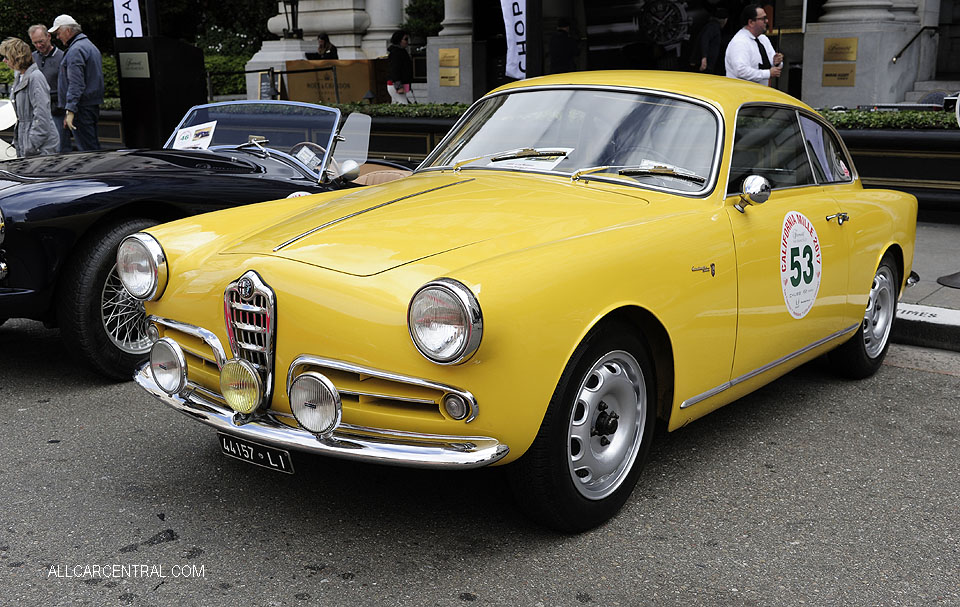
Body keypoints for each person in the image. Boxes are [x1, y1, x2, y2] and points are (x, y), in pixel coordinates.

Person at [49, 14, 103, 151]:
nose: (57, 37)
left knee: (88, 151)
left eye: (58, 32)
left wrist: (71, 110)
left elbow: (76, 83)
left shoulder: (76, 50)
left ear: (67, 31)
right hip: (89, 105)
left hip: (81, 107)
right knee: (92, 146)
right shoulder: (88, 46)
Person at [0, 37, 59, 157]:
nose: (4, 61)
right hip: (27, 141)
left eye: (6, 57)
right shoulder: (20, 77)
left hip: (40, 146)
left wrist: (32, 144)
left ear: (17, 57)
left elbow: (42, 115)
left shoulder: (35, 77)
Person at [28, 24, 70, 153]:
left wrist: (68, 113)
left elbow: (69, 86)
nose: (39, 45)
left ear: (49, 36)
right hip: (38, 110)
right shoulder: (32, 58)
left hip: (58, 110)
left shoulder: (62, 57)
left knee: (60, 148)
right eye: (35, 43)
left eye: (41, 41)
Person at [724, 4, 783, 86]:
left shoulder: (763, 39)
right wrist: (768, 73)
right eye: (763, 19)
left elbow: (773, 66)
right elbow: (741, 71)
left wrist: (777, 62)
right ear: (751, 22)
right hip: (742, 94)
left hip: (761, 92)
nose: (767, 21)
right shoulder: (740, 42)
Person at [689, 8, 728, 75]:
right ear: (724, 20)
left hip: (706, 64)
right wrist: (704, 58)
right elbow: (704, 40)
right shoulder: (713, 27)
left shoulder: (713, 27)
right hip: (703, 65)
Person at [386, 30, 413, 104]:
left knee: (397, 103)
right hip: (396, 84)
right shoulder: (396, 53)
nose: (407, 42)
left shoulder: (402, 52)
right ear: (399, 40)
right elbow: (394, 70)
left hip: (401, 84)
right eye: (405, 39)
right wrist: (399, 86)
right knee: (404, 104)